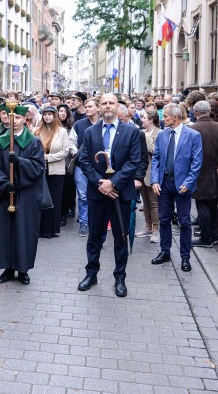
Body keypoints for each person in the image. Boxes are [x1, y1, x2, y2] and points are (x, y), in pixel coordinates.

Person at [77, 93, 142, 297]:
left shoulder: (131, 132)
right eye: (103, 103)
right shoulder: (90, 132)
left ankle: (120, 278)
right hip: (97, 193)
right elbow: (84, 160)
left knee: (120, 237)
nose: (107, 106)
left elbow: (134, 161)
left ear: (117, 106)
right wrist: (100, 183)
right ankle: (91, 274)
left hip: (120, 193)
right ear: (99, 106)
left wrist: (113, 183)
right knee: (94, 236)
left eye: (111, 103)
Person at [0, 104, 43, 286]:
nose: (14, 121)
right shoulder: (0, 142)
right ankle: (7, 268)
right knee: (5, 231)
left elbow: (38, 167)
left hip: (26, 194)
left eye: (18, 118)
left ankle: (23, 270)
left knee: (24, 231)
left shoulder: (33, 142)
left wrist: (20, 163)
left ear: (24, 120)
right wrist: (5, 184)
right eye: (11, 118)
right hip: (6, 194)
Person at [149, 104, 202, 272]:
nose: (163, 119)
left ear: (176, 117)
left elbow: (197, 161)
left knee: (184, 221)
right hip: (164, 183)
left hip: (182, 185)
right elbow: (156, 158)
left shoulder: (193, 135)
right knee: (164, 219)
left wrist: (188, 182)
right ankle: (165, 252)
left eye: (165, 116)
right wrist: (155, 180)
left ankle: (185, 257)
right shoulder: (163, 135)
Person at [189, 101, 218, 248]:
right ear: (208, 111)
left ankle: (206, 238)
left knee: (202, 207)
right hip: (217, 174)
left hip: (200, 174)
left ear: (195, 112)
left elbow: (187, 154)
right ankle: (213, 236)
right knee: (213, 206)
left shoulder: (193, 129)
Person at [35, 106, 69, 238]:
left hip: (56, 171)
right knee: (42, 199)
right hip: (41, 170)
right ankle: (41, 229)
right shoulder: (37, 132)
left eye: (50, 114)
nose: (47, 117)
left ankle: (52, 229)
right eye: (45, 114)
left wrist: (48, 158)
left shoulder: (62, 131)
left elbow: (65, 151)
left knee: (54, 200)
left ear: (54, 116)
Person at [69, 97, 99, 237]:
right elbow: (71, 142)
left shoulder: (103, 124)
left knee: (98, 195)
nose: (86, 109)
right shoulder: (79, 124)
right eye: (85, 107)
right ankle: (83, 222)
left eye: (90, 107)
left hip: (99, 168)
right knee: (82, 196)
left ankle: (96, 222)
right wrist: (77, 154)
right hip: (81, 167)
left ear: (98, 108)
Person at [137, 109, 161, 243]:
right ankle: (147, 227)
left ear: (151, 120)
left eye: (144, 118)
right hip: (142, 172)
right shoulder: (143, 133)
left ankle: (155, 230)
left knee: (154, 203)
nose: (142, 120)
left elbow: (156, 152)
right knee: (145, 203)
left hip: (153, 172)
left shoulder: (159, 133)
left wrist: (147, 140)